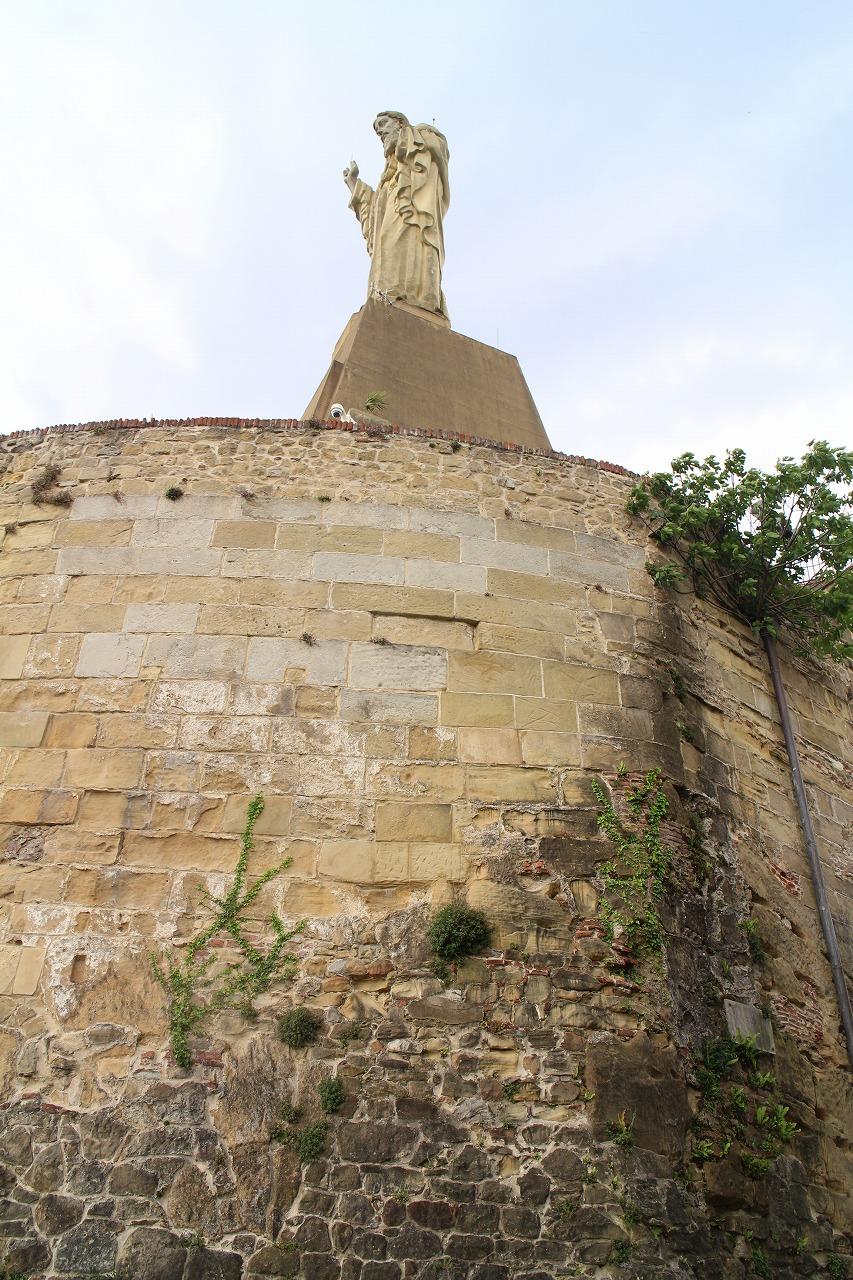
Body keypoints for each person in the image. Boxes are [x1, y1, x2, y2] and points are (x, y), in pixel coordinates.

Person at [343, 110, 450, 323]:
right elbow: (373, 220)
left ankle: (415, 301)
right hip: (388, 242)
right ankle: (387, 305)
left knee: (411, 262)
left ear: (400, 123)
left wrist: (407, 137)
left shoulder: (421, 141)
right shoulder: (388, 180)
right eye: (377, 130)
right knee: (386, 266)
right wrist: (353, 184)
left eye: (383, 124)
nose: (380, 132)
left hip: (414, 226)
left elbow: (438, 147)